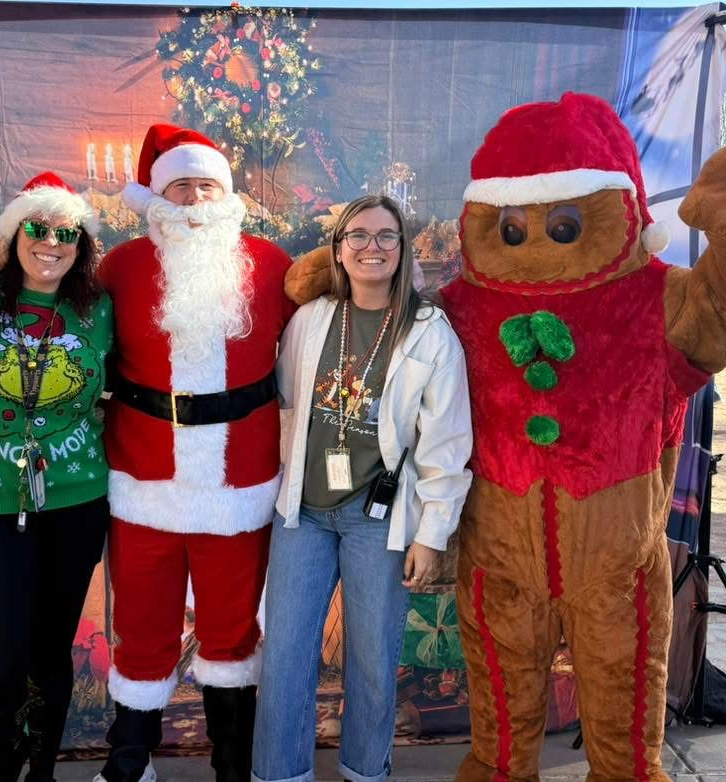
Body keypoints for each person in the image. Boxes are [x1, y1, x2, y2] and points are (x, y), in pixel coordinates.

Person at [94, 124, 296, 782]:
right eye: (180, 185)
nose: (195, 197)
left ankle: (233, 762)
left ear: (228, 194)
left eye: (207, 185)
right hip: (144, 477)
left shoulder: (271, 264)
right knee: (142, 624)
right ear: (158, 196)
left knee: (232, 629)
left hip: (240, 484)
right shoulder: (120, 267)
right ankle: (130, 761)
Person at [252, 195, 473, 782]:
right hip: (302, 513)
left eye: (385, 236)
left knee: (373, 660)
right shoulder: (311, 320)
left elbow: (446, 442)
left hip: (378, 518)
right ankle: (280, 774)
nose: (371, 247)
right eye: (358, 235)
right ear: (339, 248)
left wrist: (431, 534)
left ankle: (365, 772)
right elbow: (287, 402)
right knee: (285, 657)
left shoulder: (429, 334)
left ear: (402, 250)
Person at [0, 172, 113, 782]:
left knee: (50, 654)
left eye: (66, 233)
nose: (50, 243)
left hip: (76, 504)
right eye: (37, 230)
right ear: (14, 235)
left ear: (81, 244)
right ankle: (6, 759)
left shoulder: (97, 308)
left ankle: (40, 769)